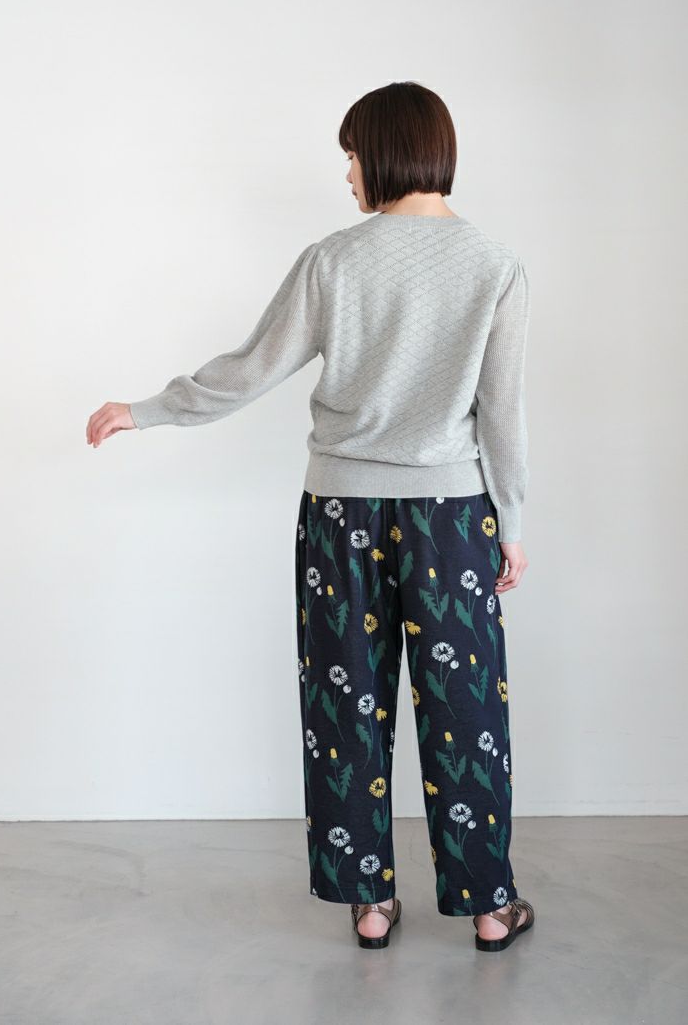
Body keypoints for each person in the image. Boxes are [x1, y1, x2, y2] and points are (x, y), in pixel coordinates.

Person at [86, 80, 535, 953]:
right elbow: (502, 415)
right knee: (466, 712)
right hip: (451, 520)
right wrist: (510, 524)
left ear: (386, 154)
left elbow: (251, 367)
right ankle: (489, 907)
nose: (349, 175)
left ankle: (369, 903)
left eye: (352, 156)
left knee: (345, 703)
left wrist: (148, 410)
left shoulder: (334, 261)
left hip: (340, 515)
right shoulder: (497, 266)